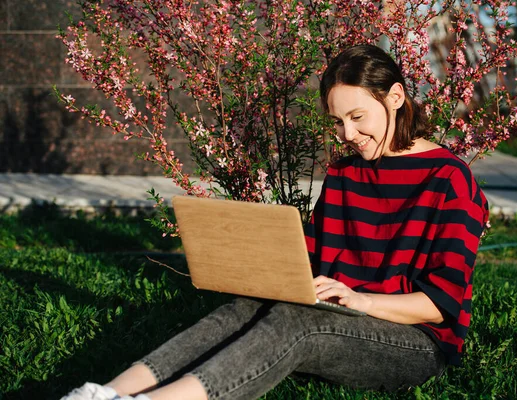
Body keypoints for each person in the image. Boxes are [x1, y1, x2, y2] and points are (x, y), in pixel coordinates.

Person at [62, 44, 489, 400]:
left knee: (297, 323)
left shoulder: (449, 179)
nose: (347, 134)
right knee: (243, 310)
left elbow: (439, 305)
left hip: (415, 343)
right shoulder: (344, 173)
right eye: (337, 122)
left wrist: (363, 301)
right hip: (342, 313)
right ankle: (103, 393)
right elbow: (313, 255)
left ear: (395, 97)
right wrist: (253, 264)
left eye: (357, 117)